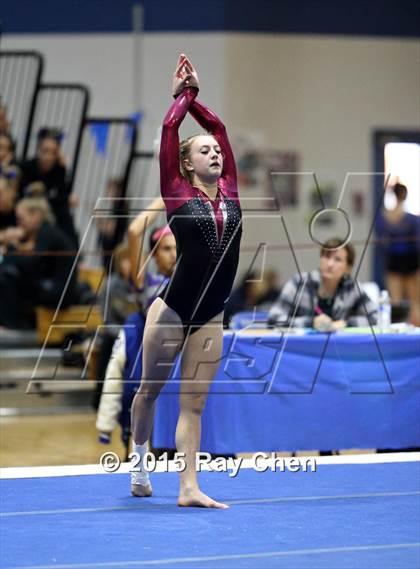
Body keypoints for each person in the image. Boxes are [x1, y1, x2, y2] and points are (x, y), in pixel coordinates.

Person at [130, 54, 242, 508]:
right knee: (148, 392)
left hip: (211, 314)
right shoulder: (175, 192)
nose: (215, 153)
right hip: (173, 309)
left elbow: (220, 129)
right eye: (205, 151)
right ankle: (138, 459)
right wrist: (184, 94)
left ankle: (188, 487)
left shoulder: (232, 190)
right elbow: (170, 130)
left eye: (216, 151)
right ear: (186, 164)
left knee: (193, 406)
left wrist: (197, 95)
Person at [0, 197, 78, 330]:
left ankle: (15, 326)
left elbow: (30, 263)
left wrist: (11, 248)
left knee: (7, 280)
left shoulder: (47, 232)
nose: (19, 224)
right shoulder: (43, 232)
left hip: (61, 293)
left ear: (36, 216)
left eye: (21, 219)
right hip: (54, 286)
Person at [268, 238, 377, 330]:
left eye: (337, 259)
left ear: (348, 268)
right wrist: (310, 323)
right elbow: (273, 318)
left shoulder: (352, 288)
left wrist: (346, 323)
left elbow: (376, 317)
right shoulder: (299, 283)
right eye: (326, 256)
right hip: (300, 348)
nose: (330, 264)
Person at [19, 128, 79, 247]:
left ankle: (74, 254)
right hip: (29, 216)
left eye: (53, 152)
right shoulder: (26, 167)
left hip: (53, 218)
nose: (48, 156)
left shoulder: (59, 170)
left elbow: (62, 196)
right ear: (38, 150)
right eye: (45, 151)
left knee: (65, 214)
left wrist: (63, 169)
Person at [376, 183, 419, 326]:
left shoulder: (384, 218)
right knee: (412, 302)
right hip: (407, 261)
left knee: (397, 301)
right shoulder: (412, 219)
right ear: (404, 196)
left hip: (397, 261)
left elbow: (382, 244)